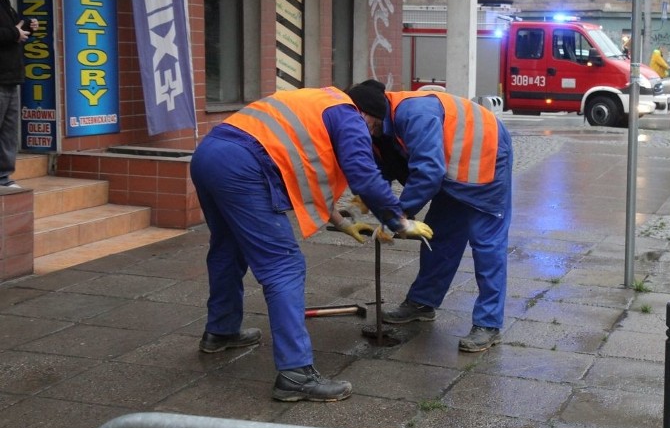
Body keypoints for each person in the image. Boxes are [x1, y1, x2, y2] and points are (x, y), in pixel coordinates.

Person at [190, 85, 433, 403]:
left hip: (209, 154)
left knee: (227, 249)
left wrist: (342, 222)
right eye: (373, 126)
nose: (370, 134)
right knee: (284, 266)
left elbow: (302, 169)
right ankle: (295, 374)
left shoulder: (319, 102)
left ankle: (220, 330)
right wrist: (398, 220)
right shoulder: (348, 116)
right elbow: (363, 174)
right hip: (241, 166)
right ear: (365, 114)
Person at [347, 81, 513, 353]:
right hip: (452, 168)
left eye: (359, 120)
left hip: (486, 157)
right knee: (440, 234)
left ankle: (489, 324)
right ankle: (422, 303)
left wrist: (398, 216)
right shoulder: (379, 126)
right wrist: (361, 202)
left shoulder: (414, 114)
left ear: (369, 112)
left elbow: (428, 171)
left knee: (487, 244)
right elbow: (377, 171)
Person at [0, 0, 39, 189]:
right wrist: (14, 33)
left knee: (8, 132)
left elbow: (14, 30)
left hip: (10, 76)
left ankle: (3, 177)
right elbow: (9, 33)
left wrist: (27, 28)